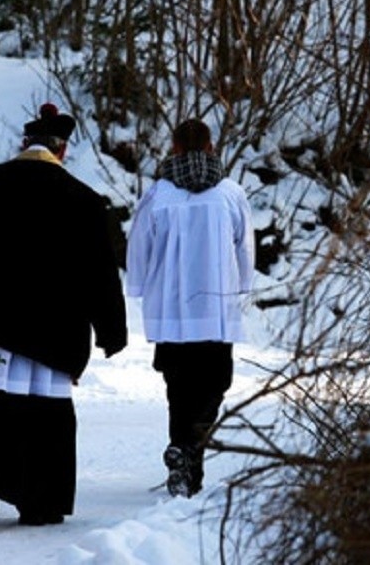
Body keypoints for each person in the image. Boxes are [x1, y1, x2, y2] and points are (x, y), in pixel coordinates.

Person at [0, 103, 127, 526]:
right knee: (46, 416)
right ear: (62, 151)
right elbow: (99, 273)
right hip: (51, 327)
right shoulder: (84, 200)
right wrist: (111, 330)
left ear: (24, 144)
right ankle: (39, 501)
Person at [126, 118, 255, 497]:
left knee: (178, 387)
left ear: (175, 149)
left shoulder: (158, 195)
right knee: (214, 385)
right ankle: (187, 454)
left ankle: (182, 452)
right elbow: (244, 247)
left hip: (171, 308)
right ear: (211, 147)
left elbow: (139, 247)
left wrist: (139, 287)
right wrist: (242, 288)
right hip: (215, 308)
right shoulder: (230, 193)